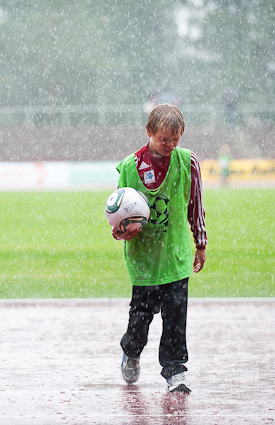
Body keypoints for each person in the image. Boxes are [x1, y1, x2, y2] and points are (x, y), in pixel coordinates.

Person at [112, 103, 207, 393]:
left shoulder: (187, 161)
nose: (170, 145)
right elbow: (118, 213)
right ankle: (132, 351)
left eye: (175, 139)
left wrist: (200, 243)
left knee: (176, 316)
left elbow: (196, 205)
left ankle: (175, 370)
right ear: (149, 132)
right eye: (164, 139)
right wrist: (120, 232)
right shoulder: (130, 166)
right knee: (140, 318)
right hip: (144, 258)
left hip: (175, 255)